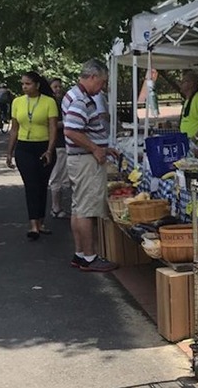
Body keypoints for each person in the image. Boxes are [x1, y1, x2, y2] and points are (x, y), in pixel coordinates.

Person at [62, 59, 118, 272]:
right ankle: (90, 256)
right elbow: (71, 130)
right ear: (92, 77)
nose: (101, 87)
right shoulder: (81, 100)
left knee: (78, 208)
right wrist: (95, 148)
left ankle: (80, 254)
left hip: (80, 158)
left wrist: (103, 146)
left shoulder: (73, 95)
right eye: (101, 82)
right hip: (85, 160)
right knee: (86, 210)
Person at [6, 71, 58, 239]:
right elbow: (14, 129)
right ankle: (33, 224)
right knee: (31, 185)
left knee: (42, 185)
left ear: (37, 85)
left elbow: (52, 128)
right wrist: (9, 152)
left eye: (27, 84)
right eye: (23, 84)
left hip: (43, 146)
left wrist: (50, 150)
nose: (24, 87)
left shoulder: (49, 102)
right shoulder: (17, 102)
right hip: (24, 148)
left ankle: (41, 221)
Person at [47, 78, 71, 218]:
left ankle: (58, 206)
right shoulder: (51, 104)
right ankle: (56, 207)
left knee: (62, 176)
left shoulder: (61, 102)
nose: (58, 89)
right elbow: (51, 125)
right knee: (57, 175)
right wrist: (67, 123)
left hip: (63, 143)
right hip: (57, 144)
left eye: (59, 87)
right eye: (55, 87)